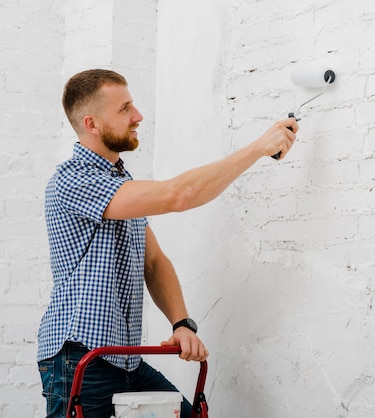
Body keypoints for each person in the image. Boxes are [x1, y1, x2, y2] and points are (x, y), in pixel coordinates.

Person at [36, 69, 298, 418]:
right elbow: (179, 195)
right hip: (81, 360)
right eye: (125, 108)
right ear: (92, 123)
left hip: (125, 361)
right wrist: (257, 149)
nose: (138, 116)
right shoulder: (73, 181)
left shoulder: (120, 181)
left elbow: (154, 261)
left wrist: (180, 323)